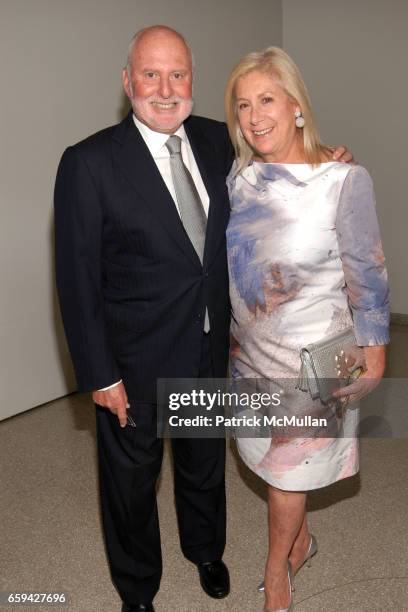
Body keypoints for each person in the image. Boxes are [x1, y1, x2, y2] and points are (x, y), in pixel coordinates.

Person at [54, 25, 353, 611]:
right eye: (150, 74)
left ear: (193, 79)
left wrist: (330, 166)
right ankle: (137, 590)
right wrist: (100, 374)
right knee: (132, 485)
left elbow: (283, 171)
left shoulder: (222, 142)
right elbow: (75, 280)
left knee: (201, 463)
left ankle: (206, 551)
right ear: (127, 82)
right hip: (133, 363)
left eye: (179, 74)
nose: (165, 89)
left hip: (213, 350)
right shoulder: (88, 164)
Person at [224, 47, 389, 612]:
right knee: (268, 462)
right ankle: (301, 545)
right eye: (243, 105)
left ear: (296, 106)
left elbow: (367, 271)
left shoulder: (343, 180)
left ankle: (277, 572)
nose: (254, 115)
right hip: (250, 360)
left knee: (287, 476)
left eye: (266, 99)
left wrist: (376, 348)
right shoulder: (241, 179)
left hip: (317, 361)